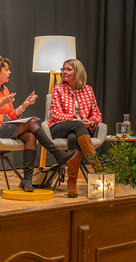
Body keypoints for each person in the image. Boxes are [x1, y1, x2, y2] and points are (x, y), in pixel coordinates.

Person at [0, 55, 77, 192]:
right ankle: (57, 154)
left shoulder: (4, 90)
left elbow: (11, 115)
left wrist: (24, 105)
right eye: (6, 70)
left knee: (30, 136)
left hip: (5, 126)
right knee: (31, 122)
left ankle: (27, 180)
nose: (9, 72)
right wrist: (2, 103)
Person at [48, 59, 102, 198]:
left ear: (77, 72)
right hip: (59, 127)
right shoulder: (58, 89)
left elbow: (96, 112)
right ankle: (99, 169)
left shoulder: (88, 90)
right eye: (63, 69)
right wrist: (77, 120)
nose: (64, 72)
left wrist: (91, 121)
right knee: (77, 125)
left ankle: (72, 183)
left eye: (68, 69)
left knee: (74, 138)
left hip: (80, 130)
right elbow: (55, 113)